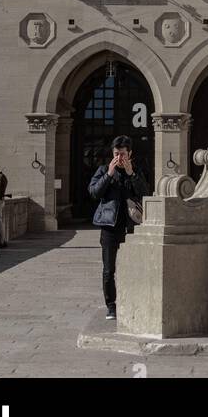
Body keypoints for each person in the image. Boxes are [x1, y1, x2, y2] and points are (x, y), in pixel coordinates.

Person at [88, 136, 149, 320]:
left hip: (132, 227)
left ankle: (133, 300)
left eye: (123, 154)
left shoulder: (136, 171)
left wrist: (132, 174)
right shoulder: (103, 170)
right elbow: (93, 192)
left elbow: (145, 193)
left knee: (136, 267)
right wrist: (109, 174)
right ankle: (111, 305)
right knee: (108, 270)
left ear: (130, 154)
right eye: (116, 154)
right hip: (109, 226)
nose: (119, 158)